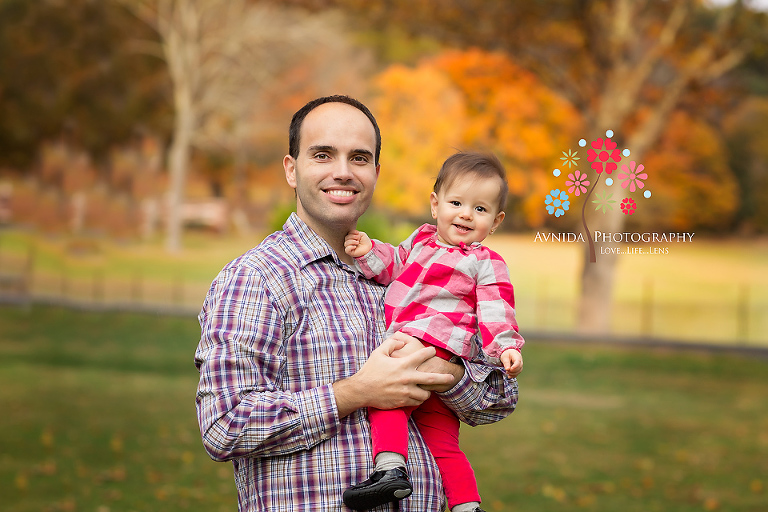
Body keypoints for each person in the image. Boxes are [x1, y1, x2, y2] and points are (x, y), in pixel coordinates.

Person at [195, 95, 520, 512]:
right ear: (292, 170)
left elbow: (499, 399)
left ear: (376, 173)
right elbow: (225, 426)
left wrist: (451, 375)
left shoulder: (411, 275)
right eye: (323, 154)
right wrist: (355, 392)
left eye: (360, 158)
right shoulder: (256, 278)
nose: (343, 172)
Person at [342, 152, 524, 512]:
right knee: (443, 443)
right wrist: (368, 251)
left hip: (435, 346)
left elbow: (495, 306)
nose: (466, 214)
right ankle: (466, 505)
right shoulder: (420, 242)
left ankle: (390, 469)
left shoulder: (484, 260)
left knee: (387, 397)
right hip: (433, 365)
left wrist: (505, 346)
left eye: (480, 209)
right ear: (435, 204)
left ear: (496, 220)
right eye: (456, 203)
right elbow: (394, 265)